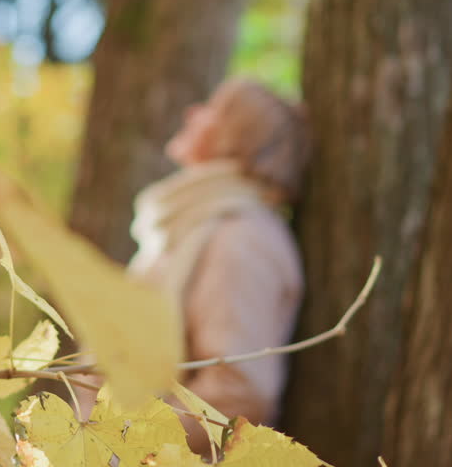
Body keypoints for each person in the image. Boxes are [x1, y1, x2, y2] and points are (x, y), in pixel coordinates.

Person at [115, 77, 308, 450]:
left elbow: (240, 396)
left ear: (235, 135)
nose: (192, 113)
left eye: (210, 108)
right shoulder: (188, 230)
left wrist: (120, 443)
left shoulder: (242, 238)